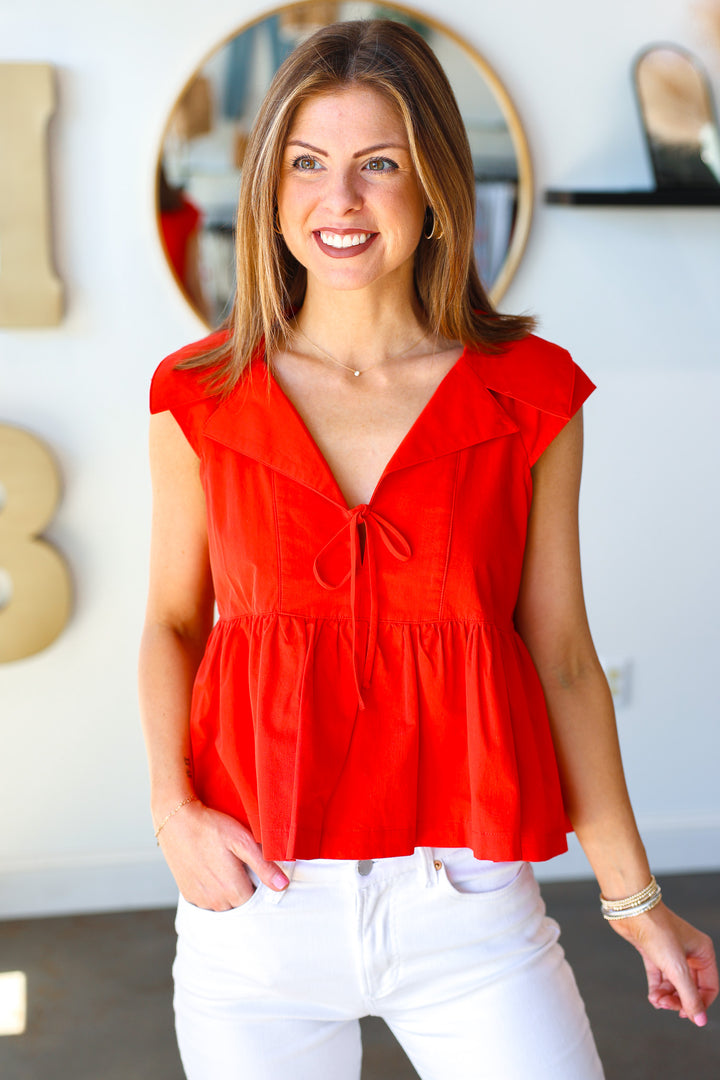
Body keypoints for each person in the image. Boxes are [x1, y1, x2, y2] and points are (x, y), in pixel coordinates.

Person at [139, 19, 717, 1080]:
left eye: (379, 166)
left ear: (436, 184)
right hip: (253, 907)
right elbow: (175, 623)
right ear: (270, 188)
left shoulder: (530, 394)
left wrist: (636, 903)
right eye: (308, 164)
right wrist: (173, 813)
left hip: (469, 909)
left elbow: (566, 661)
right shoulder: (199, 395)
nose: (340, 201)